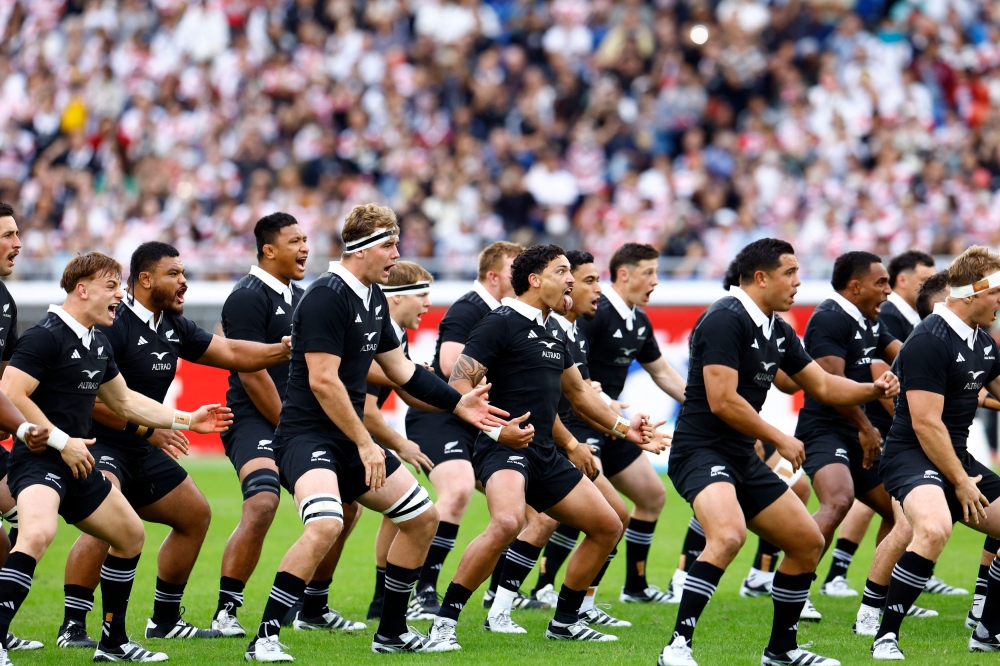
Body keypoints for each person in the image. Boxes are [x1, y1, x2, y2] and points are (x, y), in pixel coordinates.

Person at [244, 203, 506, 660]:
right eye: (389, 245)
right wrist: (368, 443)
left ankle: (391, 631)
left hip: (348, 440)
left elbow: (403, 371)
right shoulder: (327, 295)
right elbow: (324, 381)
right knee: (326, 524)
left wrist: (457, 401)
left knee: (423, 518)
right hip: (307, 438)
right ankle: (264, 637)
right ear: (361, 249)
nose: (396, 254)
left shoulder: (372, 298)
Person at [657, 238, 899, 666]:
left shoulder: (778, 329)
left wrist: (873, 388)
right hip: (700, 450)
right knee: (728, 535)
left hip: (740, 456)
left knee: (807, 541)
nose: (798, 281)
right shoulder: (723, 318)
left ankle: (781, 652)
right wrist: (780, 437)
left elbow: (823, 385)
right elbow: (721, 399)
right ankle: (676, 647)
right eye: (789, 273)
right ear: (760, 277)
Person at [425, 244, 667, 649]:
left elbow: (578, 393)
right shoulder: (498, 322)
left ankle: (565, 621)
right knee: (507, 523)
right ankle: (443, 624)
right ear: (535, 280)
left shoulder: (554, 328)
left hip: (544, 453)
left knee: (608, 525)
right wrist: (496, 431)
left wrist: (627, 429)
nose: (570, 279)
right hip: (502, 450)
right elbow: (459, 385)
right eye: (562, 271)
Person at [56, 241, 292, 647]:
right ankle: (73, 626)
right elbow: (92, 400)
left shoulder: (173, 324)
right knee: (106, 519)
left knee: (195, 515)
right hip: (99, 444)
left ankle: (164, 619)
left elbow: (233, 351)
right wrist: (150, 431)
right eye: (174, 274)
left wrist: (285, 348)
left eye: (183, 273)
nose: (184, 282)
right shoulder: (111, 323)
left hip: (141, 448)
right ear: (145, 280)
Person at [2, 252, 231, 664]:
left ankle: (113, 644)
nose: (119, 295)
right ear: (82, 289)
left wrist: (187, 419)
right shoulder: (45, 335)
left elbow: (124, 401)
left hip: (79, 462)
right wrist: (59, 440)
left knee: (129, 535)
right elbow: (9, 391)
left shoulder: (96, 341)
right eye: (112, 287)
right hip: (40, 462)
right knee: (36, 533)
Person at [212, 213, 366, 636]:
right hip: (255, 420)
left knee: (347, 505)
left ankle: (313, 608)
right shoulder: (246, 297)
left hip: (296, 422)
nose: (305, 248)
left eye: (306, 239)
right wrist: (290, 428)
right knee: (262, 502)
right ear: (268, 250)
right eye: (295, 241)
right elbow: (250, 372)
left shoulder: (303, 296)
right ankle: (227, 609)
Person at [396, 241, 546, 617]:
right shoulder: (471, 307)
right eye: (514, 269)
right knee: (459, 487)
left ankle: (500, 595)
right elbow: (450, 364)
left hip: (480, 421)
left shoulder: (515, 315)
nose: (522, 276)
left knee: (537, 513)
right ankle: (423, 594)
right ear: (493, 276)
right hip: (442, 417)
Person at [871, 246, 1000, 659]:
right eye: (996, 291)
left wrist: (961, 473)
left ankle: (987, 630)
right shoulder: (929, 338)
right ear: (972, 293)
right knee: (934, 528)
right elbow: (926, 424)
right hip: (911, 455)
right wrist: (960, 481)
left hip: (953, 455)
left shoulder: (983, 340)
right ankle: (885, 636)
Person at [818, 251, 966, 599]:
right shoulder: (839, 316)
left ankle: (886, 588)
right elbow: (851, 379)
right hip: (848, 426)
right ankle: (800, 581)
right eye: (880, 281)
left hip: (870, 425)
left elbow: (906, 358)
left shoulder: (877, 320)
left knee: (897, 511)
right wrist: (886, 422)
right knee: (843, 500)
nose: (885, 290)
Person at [576, 243, 686, 604]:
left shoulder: (638, 319)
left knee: (652, 496)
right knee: (593, 511)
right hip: (582, 423)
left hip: (614, 424)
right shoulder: (595, 311)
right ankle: (547, 588)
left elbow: (663, 373)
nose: (655, 280)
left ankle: (635, 588)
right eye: (648, 272)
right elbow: (575, 374)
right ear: (623, 274)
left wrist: (702, 403)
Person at [0, 204, 41, 652]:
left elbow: (7, 376)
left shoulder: (5, 301)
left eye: (18, 234)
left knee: (29, 517)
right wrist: (31, 427)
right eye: (8, 235)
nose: (18, 244)